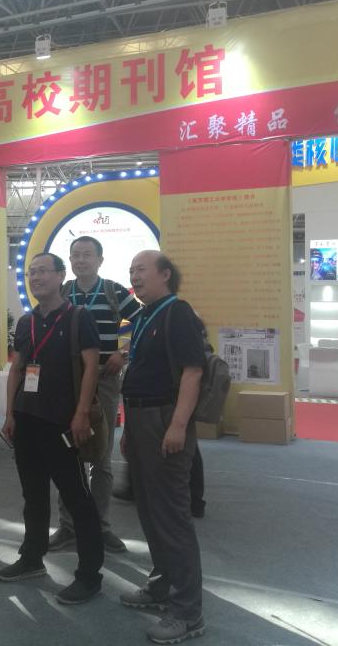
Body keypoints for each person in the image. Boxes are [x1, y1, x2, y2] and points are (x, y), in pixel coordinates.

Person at [0, 252, 104, 605]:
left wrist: (81, 413)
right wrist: (10, 413)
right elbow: (18, 369)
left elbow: (91, 368)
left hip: (63, 421)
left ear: (61, 276)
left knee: (77, 498)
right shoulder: (26, 322)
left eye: (43, 271)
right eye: (32, 272)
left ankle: (89, 575)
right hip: (27, 420)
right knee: (33, 495)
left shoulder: (78, 317)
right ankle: (32, 558)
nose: (36, 277)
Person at [118, 250, 205, 644]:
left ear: (165, 274)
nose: (134, 276)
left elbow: (193, 372)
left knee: (171, 516)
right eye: (131, 271)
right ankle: (160, 586)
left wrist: (178, 426)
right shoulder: (143, 316)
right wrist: (128, 429)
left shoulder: (177, 312)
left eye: (141, 270)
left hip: (164, 419)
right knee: (150, 512)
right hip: (139, 420)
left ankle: (188, 613)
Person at [49, 236, 139, 555]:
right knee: (66, 454)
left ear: (100, 260)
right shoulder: (62, 293)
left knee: (101, 456)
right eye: (75, 255)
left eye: (87, 255)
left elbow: (141, 322)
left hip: (105, 379)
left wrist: (122, 353)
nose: (81, 260)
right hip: (68, 381)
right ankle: (68, 526)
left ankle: (100, 527)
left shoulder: (115, 291)